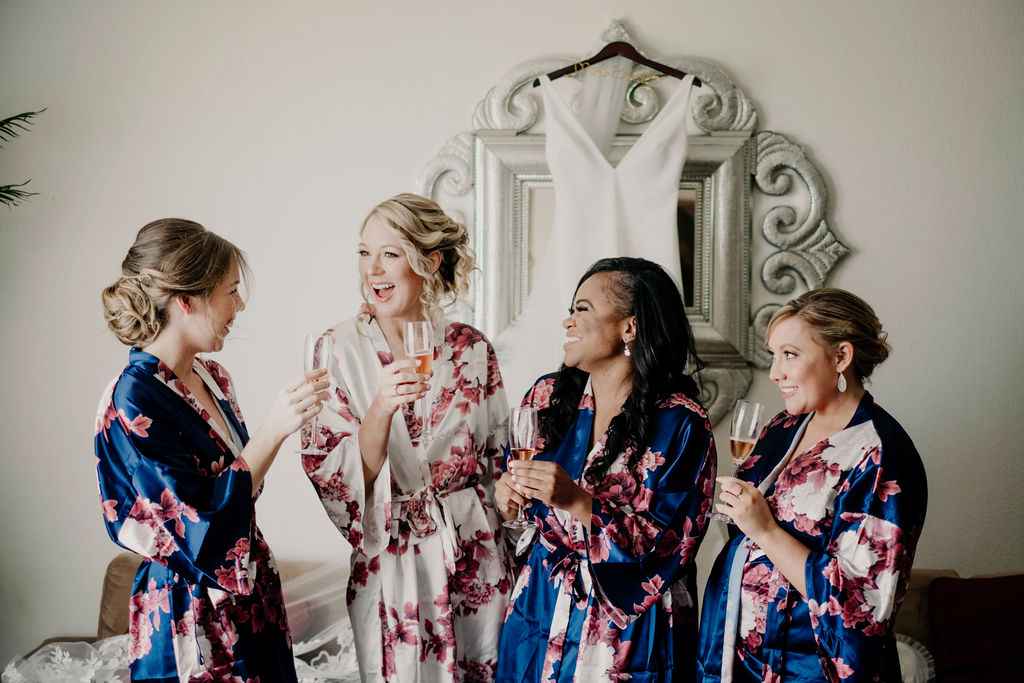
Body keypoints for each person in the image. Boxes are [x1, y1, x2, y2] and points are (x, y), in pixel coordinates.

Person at [95, 218, 328, 681]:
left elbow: (238, 492)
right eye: (231, 291)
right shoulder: (132, 399)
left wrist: (283, 432)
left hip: (252, 596)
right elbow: (197, 529)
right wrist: (272, 430)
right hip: (189, 612)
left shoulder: (214, 380)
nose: (238, 306)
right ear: (188, 300)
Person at [301, 193, 512, 682]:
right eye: (363, 252)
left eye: (389, 253)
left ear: (428, 260)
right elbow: (331, 472)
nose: (372, 269)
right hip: (392, 559)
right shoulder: (337, 349)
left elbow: (500, 459)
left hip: (475, 551)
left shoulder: (470, 347)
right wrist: (381, 406)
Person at [494, 257, 717, 682]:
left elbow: (673, 546)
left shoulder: (682, 423)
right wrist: (508, 500)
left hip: (630, 624)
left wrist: (578, 502)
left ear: (628, 327)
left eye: (582, 309)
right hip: (540, 602)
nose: (568, 322)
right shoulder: (546, 398)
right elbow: (520, 514)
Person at [697, 288, 928, 683]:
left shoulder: (881, 455)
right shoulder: (782, 428)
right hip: (735, 653)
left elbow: (861, 605)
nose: (774, 373)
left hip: (804, 668)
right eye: (774, 355)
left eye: (789, 354)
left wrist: (764, 529)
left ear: (841, 357)